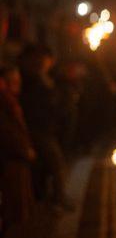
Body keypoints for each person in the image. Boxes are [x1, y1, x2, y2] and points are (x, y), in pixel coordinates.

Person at [18, 44, 71, 209]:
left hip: (49, 129)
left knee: (47, 166)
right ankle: (58, 199)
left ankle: (50, 198)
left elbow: (58, 103)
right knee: (57, 165)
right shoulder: (32, 80)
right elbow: (37, 105)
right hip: (38, 130)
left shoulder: (50, 79)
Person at [0, 64, 35, 228]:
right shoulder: (4, 101)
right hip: (11, 158)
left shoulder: (11, 100)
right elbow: (7, 131)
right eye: (13, 81)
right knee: (10, 201)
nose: (17, 84)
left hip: (17, 157)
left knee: (15, 203)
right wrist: (23, 150)